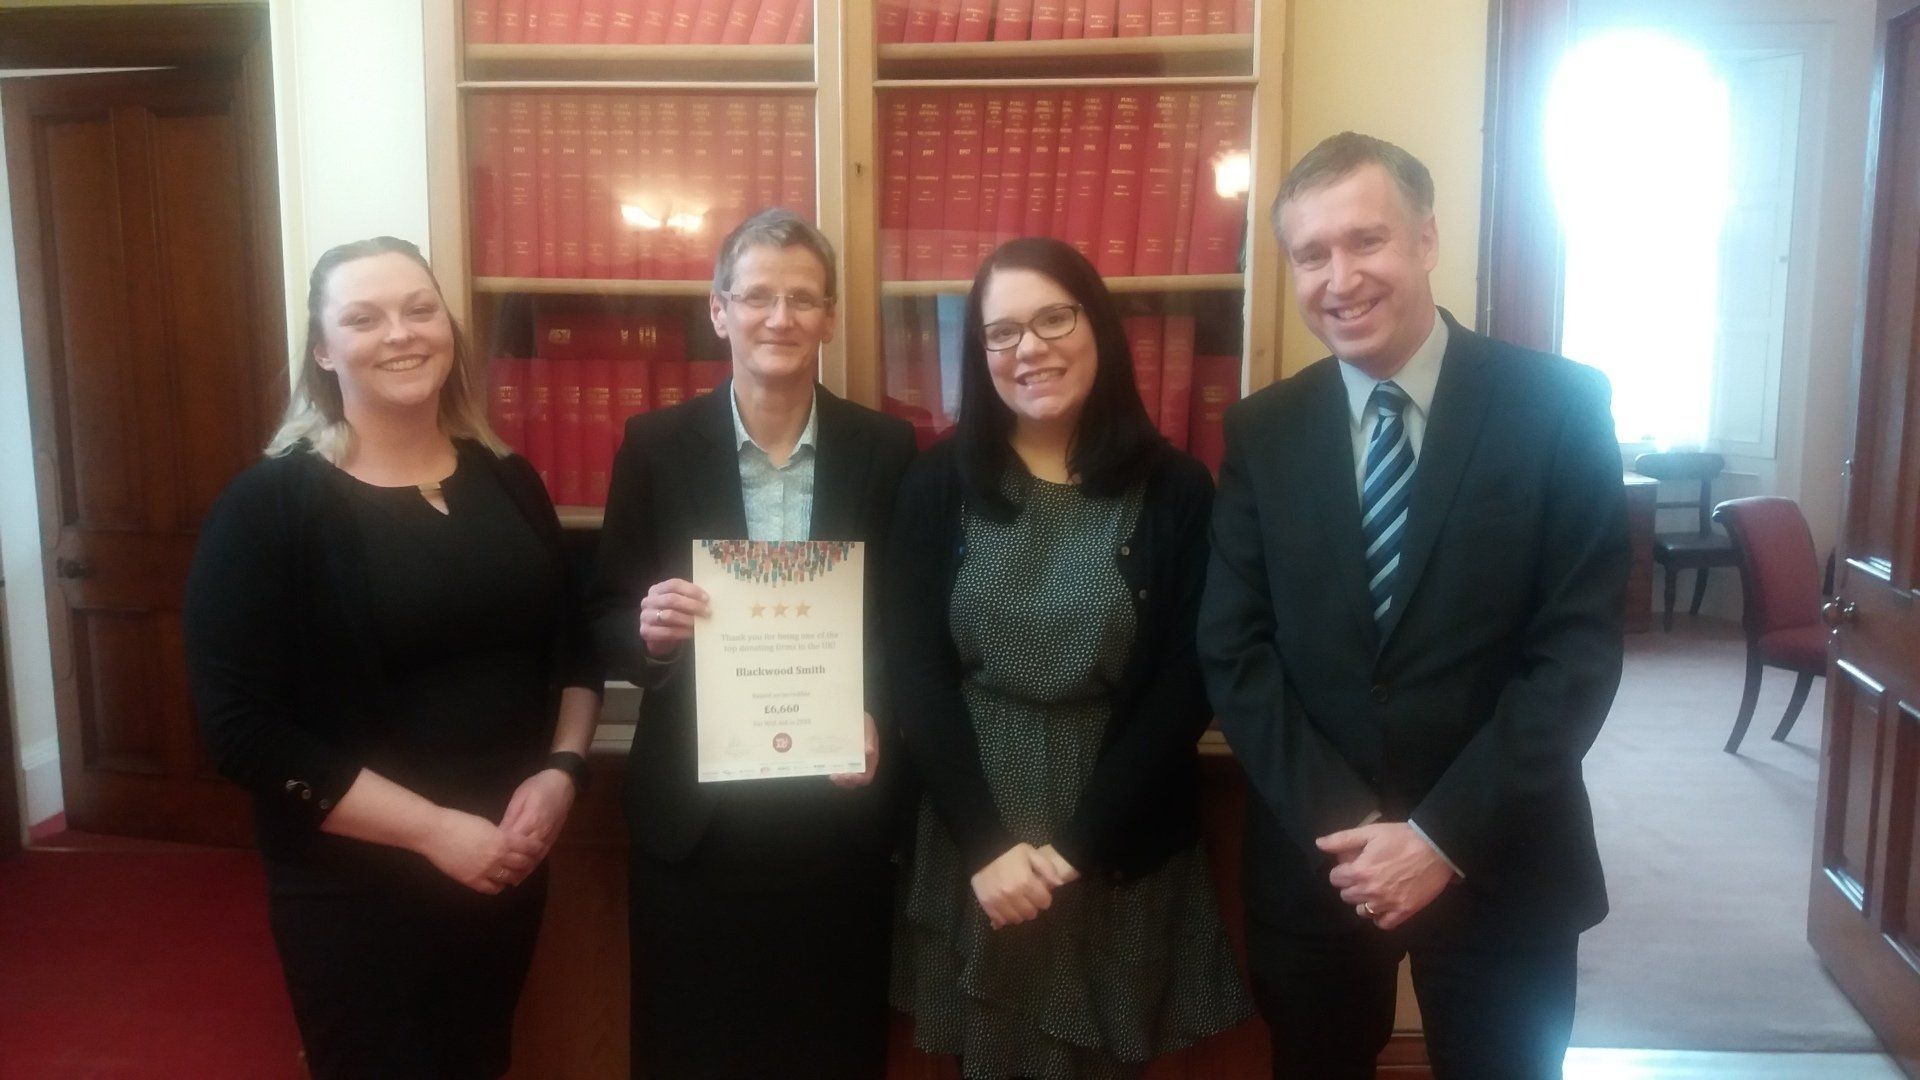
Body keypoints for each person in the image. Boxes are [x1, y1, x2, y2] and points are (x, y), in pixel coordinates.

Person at [1197, 131, 1629, 1079]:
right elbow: (1235, 650)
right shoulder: (1262, 432)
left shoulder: (1558, 406)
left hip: (1503, 854)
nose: (1339, 278)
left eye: (1367, 241)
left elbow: (1578, 652)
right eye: (1311, 255)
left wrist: (1439, 838)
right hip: (1323, 866)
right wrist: (1360, 838)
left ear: (1427, 238)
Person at [182, 236, 602, 1079]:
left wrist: (562, 771)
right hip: (355, 888)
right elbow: (240, 731)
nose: (401, 333)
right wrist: (437, 832)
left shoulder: (506, 478)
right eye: (363, 318)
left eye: (419, 309)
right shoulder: (268, 506)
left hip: (504, 863)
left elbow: (574, 646)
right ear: (322, 349)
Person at [886, 237, 1252, 1079]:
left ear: (1100, 328)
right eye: (1002, 332)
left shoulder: (1177, 488)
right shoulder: (937, 481)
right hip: (976, 825)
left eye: (1054, 318)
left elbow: (1186, 682)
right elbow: (916, 672)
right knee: (989, 1054)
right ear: (981, 356)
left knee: (1107, 1057)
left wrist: (1080, 845)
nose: (1030, 348)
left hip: (1117, 823)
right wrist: (987, 844)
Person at [587, 207, 917, 1079]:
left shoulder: (886, 449)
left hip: (835, 812)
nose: (781, 317)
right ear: (719, 309)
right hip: (696, 824)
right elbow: (602, 614)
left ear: (830, 318)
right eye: (759, 295)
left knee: (830, 1045)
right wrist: (647, 634)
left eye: (803, 299)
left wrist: (877, 713)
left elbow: (907, 620)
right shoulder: (653, 447)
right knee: (692, 1047)